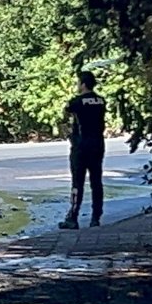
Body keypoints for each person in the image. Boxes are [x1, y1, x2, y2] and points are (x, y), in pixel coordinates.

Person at [59, 71, 106, 229]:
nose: (77, 86)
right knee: (96, 182)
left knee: (77, 183)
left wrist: (70, 135)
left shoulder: (76, 102)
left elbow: (66, 113)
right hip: (97, 144)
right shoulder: (101, 101)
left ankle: (73, 216)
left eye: (78, 83)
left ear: (83, 84)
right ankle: (96, 217)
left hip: (80, 145)